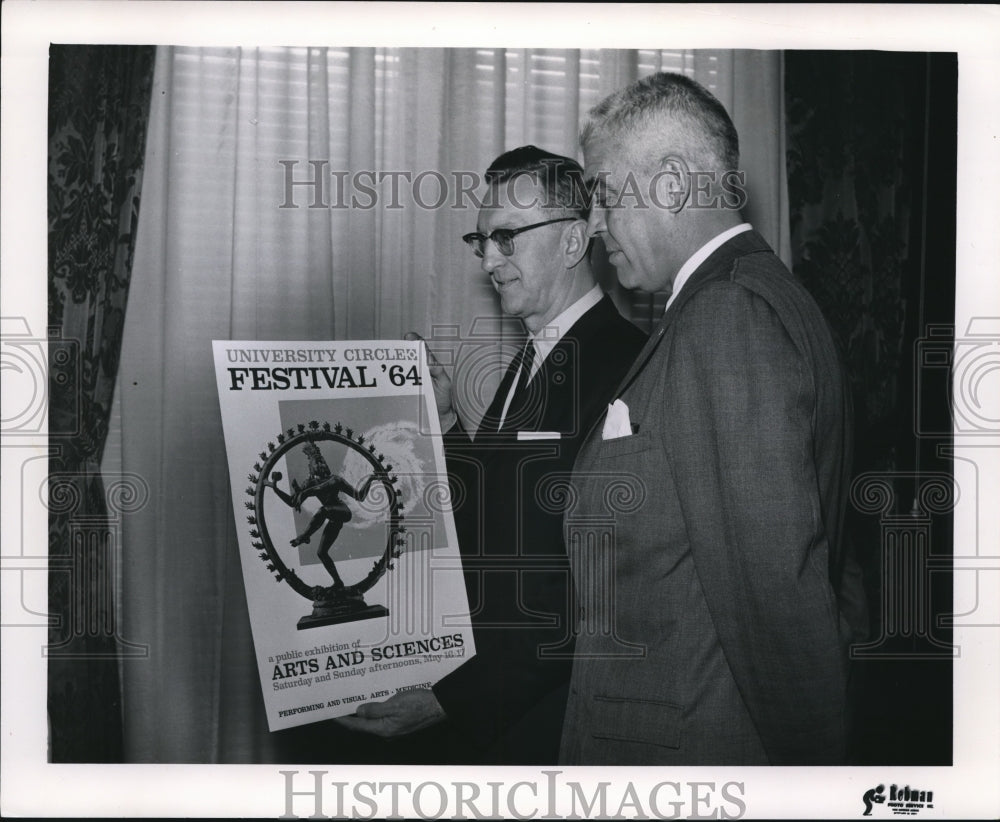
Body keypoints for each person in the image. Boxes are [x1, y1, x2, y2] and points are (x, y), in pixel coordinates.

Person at [558, 73, 866, 765]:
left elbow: (778, 600)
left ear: (671, 184)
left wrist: (811, 787)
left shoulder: (726, 318)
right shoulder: (756, 298)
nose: (596, 222)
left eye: (604, 193)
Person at [336, 145, 646, 763]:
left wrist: (456, 698)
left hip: (548, 728)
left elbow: (596, 585)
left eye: (506, 238)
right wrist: (446, 421)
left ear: (573, 241)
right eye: (480, 240)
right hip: (501, 718)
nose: (488, 260)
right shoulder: (536, 356)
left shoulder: (625, 365)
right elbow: (505, 516)